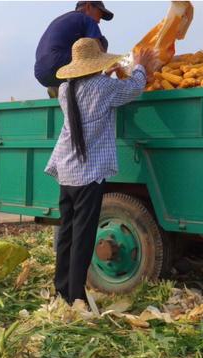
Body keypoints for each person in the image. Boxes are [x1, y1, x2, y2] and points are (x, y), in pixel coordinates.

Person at [44, 38, 155, 305]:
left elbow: (90, 89)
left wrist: (107, 74)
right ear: (96, 62)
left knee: (68, 233)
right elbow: (134, 89)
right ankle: (76, 295)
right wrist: (140, 66)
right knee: (83, 236)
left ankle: (62, 290)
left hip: (67, 169)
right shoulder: (103, 87)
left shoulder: (64, 90)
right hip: (88, 172)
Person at [34, 1, 113, 98]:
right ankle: (92, 88)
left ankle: (57, 88)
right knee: (99, 45)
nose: (99, 21)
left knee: (81, 51)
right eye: (99, 15)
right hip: (59, 63)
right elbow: (98, 53)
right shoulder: (87, 19)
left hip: (40, 72)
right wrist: (112, 64)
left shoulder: (62, 19)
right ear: (88, 6)